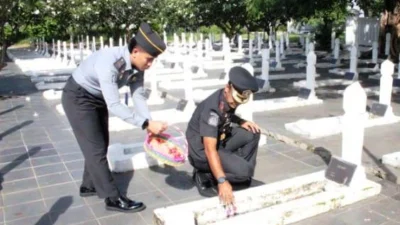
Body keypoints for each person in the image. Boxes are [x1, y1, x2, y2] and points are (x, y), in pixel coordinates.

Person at [61, 22, 168, 213]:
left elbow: (138, 95)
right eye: (149, 59)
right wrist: (145, 124)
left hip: (96, 97)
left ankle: (89, 185)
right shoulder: (110, 62)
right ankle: (113, 198)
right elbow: (115, 105)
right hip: (78, 97)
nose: (150, 64)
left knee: (100, 143)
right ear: (135, 51)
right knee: (94, 149)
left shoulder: (137, 66)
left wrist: (149, 123)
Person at [185, 66, 261, 207]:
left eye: (240, 101)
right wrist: (222, 181)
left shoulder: (228, 96)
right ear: (227, 87)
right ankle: (207, 174)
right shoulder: (212, 111)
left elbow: (227, 114)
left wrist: (241, 121)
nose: (236, 104)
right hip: (201, 153)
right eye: (236, 100)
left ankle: (235, 171)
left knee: (253, 132)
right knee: (245, 173)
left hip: (219, 140)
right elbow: (209, 149)